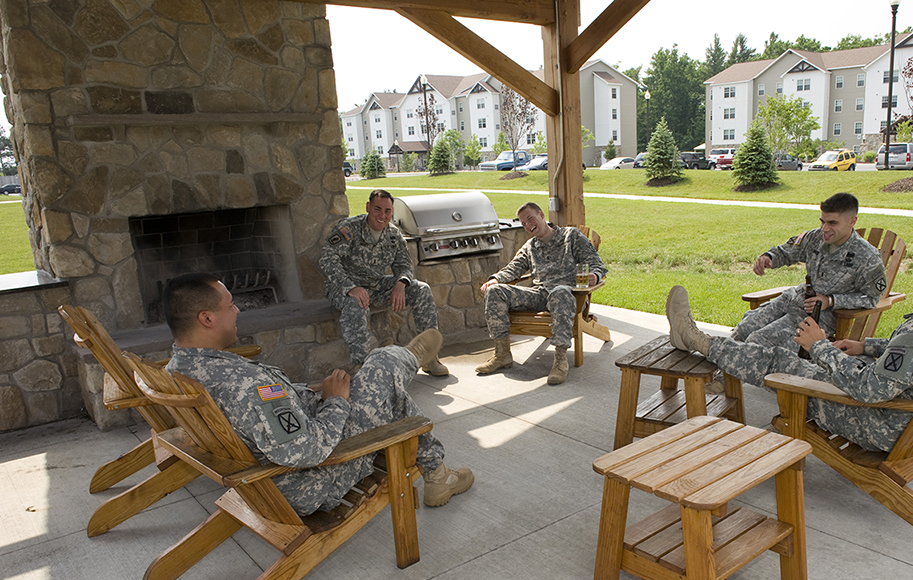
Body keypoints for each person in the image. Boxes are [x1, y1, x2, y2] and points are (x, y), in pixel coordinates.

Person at [666, 224, 913, 453]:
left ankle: (697, 340)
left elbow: (870, 389)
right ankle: (702, 343)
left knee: (781, 362)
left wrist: (819, 346)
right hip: (910, 412)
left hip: (878, 421)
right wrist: (867, 345)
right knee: (777, 343)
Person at [162, 273, 473, 513]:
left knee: (371, 383)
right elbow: (305, 452)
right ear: (206, 318)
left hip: (271, 462)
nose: (237, 310)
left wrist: (304, 393)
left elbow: (264, 413)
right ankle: (410, 361)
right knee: (382, 365)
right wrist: (336, 402)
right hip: (310, 481)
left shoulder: (179, 368)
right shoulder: (245, 384)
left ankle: (436, 470)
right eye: (230, 305)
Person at [475, 202, 607, 385]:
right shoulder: (531, 246)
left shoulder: (571, 236)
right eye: (524, 223)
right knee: (495, 291)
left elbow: (597, 264)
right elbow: (514, 268)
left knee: (559, 292)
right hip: (540, 295)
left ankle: (560, 360)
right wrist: (495, 279)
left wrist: (595, 275)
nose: (528, 225)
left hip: (570, 296)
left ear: (541, 215)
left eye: (530, 218)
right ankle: (502, 354)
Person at [734, 192, 887, 349]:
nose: (825, 228)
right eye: (822, 221)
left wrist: (830, 301)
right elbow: (786, 252)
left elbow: (870, 298)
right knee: (741, 331)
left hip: (818, 317)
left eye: (832, 223)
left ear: (852, 221)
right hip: (792, 299)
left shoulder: (867, 256)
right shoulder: (814, 238)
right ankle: (726, 373)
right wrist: (768, 257)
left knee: (759, 342)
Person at [319, 189, 447, 375]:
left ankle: (429, 359)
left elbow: (404, 265)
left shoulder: (393, 235)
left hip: (376, 285)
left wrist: (400, 284)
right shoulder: (349, 229)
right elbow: (327, 258)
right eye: (377, 209)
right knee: (356, 302)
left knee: (422, 289)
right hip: (343, 288)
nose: (382, 215)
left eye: (387, 211)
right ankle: (361, 367)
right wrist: (351, 287)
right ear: (368, 207)